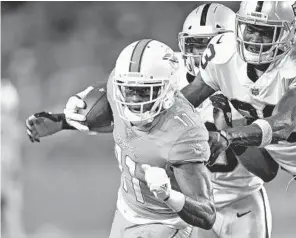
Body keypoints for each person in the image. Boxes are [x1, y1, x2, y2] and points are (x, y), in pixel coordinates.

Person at [26, 3, 274, 238]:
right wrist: (63, 121)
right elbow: (127, 113)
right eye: (196, 45)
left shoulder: (252, 83)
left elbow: (267, 170)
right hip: (181, 206)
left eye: (212, 45)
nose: (203, 55)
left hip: (240, 200)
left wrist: (230, 132)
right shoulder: (166, 72)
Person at [180, 1, 296, 237]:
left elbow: (284, 123)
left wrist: (228, 135)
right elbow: (186, 100)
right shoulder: (222, 53)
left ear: (289, 31)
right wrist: (154, 116)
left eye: (265, 32)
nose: (255, 38)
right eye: (250, 28)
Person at [27, 40, 216, 238]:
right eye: (130, 90)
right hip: (125, 212)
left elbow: (207, 214)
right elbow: (117, 120)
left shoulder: (183, 132)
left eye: (145, 91)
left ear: (168, 90)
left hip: (164, 223)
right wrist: (61, 121)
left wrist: (169, 195)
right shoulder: (117, 94)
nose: (134, 100)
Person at [1, 79, 26, 238]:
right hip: (8, 179)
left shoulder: (13, 128)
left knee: (13, 219)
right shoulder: (12, 128)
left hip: (9, 179)